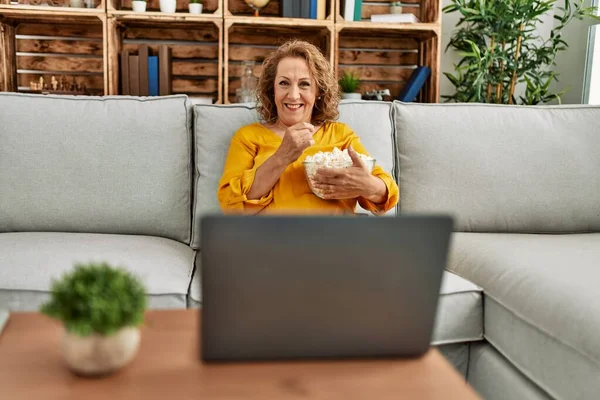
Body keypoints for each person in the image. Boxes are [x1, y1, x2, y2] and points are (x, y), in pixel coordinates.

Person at [217, 40, 399, 215]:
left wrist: (369, 186)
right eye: (284, 83)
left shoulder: (340, 135)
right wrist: (282, 156)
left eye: (304, 84)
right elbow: (230, 205)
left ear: (318, 91)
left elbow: (388, 195)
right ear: (272, 89)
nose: (293, 95)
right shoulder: (248, 137)